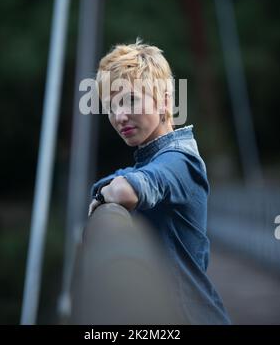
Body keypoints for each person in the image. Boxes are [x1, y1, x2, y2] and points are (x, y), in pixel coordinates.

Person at [88, 38, 231, 325]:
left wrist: (104, 193)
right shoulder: (156, 158)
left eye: (130, 100)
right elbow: (118, 180)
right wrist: (104, 189)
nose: (119, 116)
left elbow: (126, 190)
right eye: (111, 106)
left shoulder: (179, 161)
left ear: (165, 100)